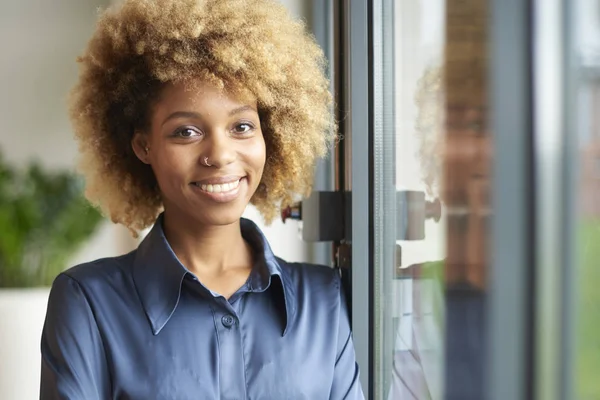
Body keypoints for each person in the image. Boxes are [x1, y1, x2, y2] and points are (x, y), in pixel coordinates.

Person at [39, 0, 364, 398]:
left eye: (242, 126)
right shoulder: (88, 302)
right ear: (143, 146)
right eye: (186, 132)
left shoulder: (324, 301)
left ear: (272, 134)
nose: (221, 155)